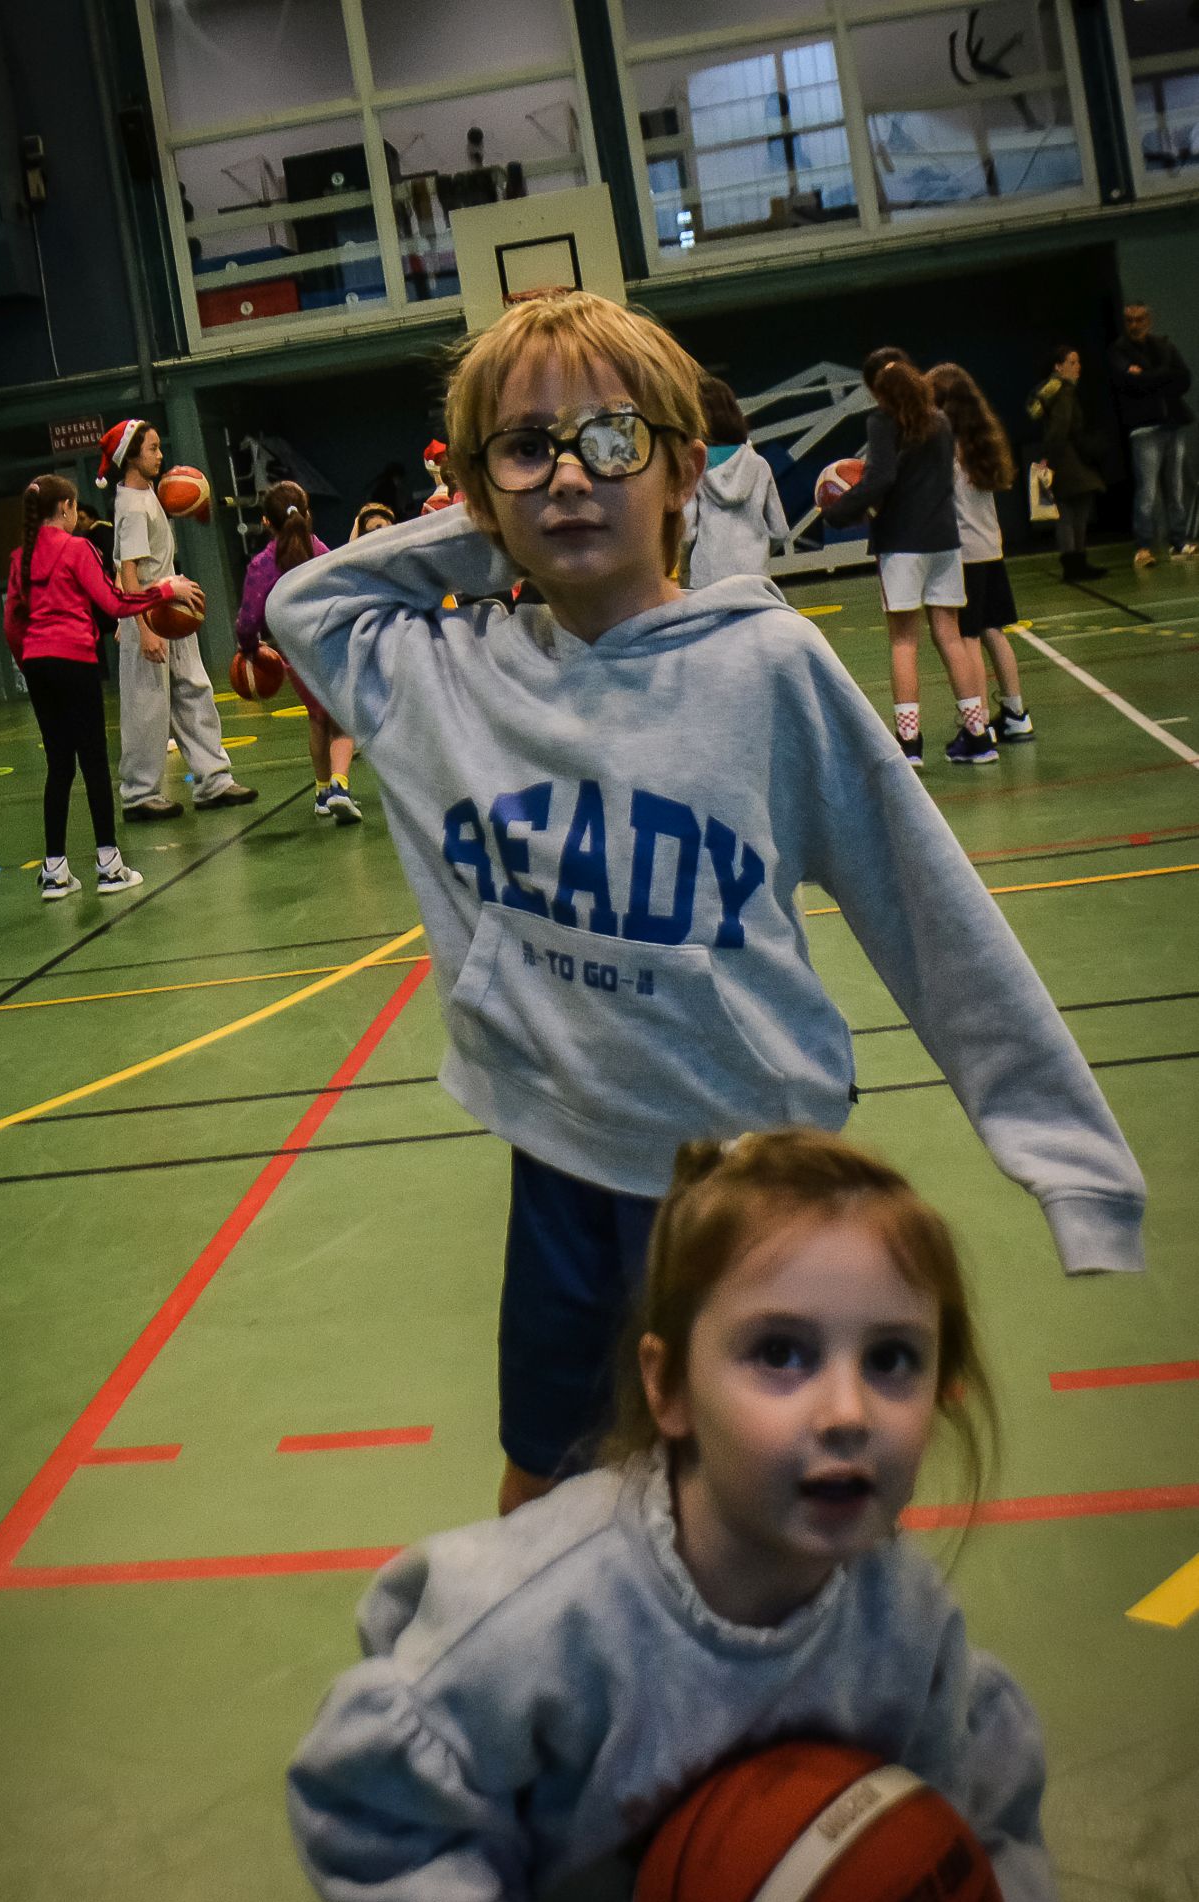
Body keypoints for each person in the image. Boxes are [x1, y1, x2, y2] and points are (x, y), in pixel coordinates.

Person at [267, 289, 1145, 1518]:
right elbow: (300, 607)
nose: (570, 474)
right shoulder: (441, 681)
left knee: (763, 1492)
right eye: (527, 448)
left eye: (610, 440)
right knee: (545, 1480)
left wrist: (1071, 1164)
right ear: (474, 488)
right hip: (561, 1160)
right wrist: (489, 528)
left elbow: (928, 912)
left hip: (749, 1171)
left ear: (683, 469)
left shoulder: (767, 669)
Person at [289, 1127, 1066, 1902]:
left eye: (892, 1359)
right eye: (781, 1353)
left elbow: (971, 1814)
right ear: (668, 1388)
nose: (848, 1412)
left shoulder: (906, 1622)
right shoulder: (543, 1613)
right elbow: (368, 1800)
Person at [3, 474, 203, 901]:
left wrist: (32, 662)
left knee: (59, 767)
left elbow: (12, 625)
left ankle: (55, 871)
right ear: (66, 508)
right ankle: (109, 865)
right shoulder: (79, 549)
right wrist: (164, 589)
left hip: (37, 665)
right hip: (74, 661)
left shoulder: (21, 557)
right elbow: (114, 603)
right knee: (93, 762)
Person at [820, 347, 996, 768]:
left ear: (878, 391)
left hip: (902, 543)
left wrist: (839, 512)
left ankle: (909, 743)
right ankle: (978, 736)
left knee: (904, 641)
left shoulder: (883, 421)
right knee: (950, 636)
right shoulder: (941, 421)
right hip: (944, 542)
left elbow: (881, 478)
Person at [98, 418, 258, 822]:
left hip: (170, 610)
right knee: (147, 706)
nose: (160, 455)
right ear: (131, 456)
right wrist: (143, 629)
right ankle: (139, 794)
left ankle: (213, 780)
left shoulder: (146, 494)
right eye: (152, 448)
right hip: (151, 616)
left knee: (194, 692)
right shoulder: (133, 507)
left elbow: (129, 567)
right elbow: (129, 573)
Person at [235, 481, 362, 825]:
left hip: (294, 653)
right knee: (342, 717)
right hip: (332, 645)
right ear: (307, 515)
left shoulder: (262, 565)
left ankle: (322, 792)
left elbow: (248, 621)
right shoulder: (320, 552)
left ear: (266, 522)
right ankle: (339, 784)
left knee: (318, 718)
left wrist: (251, 650)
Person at [927, 364, 1034, 746]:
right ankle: (1016, 714)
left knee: (966, 636)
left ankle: (979, 724)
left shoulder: (946, 449)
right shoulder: (982, 441)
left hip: (963, 555)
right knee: (993, 630)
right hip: (990, 548)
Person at [1107, 301, 1197, 567]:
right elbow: (1131, 383)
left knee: (1176, 488)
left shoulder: (1164, 346)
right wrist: (1163, 376)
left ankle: (1179, 541)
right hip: (1144, 428)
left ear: (1149, 320)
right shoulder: (1118, 351)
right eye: (1129, 320)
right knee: (1147, 492)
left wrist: (1148, 376)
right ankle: (1143, 547)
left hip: (1173, 423)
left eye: (1139, 319)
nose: (1134, 325)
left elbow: (1184, 378)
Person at [681, 372, 789, 587]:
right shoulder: (759, 465)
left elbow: (686, 532)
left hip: (708, 580)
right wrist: (757, 555)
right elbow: (780, 530)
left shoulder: (695, 467)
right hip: (756, 578)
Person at [1024, 348, 1108, 585]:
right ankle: (1075, 564)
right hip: (1068, 458)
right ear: (1058, 366)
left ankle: (1075, 563)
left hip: (1062, 457)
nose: (1077, 366)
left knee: (1069, 512)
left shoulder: (1049, 390)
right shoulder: (1064, 391)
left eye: (1078, 361)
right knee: (1073, 513)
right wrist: (1050, 458)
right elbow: (1060, 428)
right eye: (1072, 362)